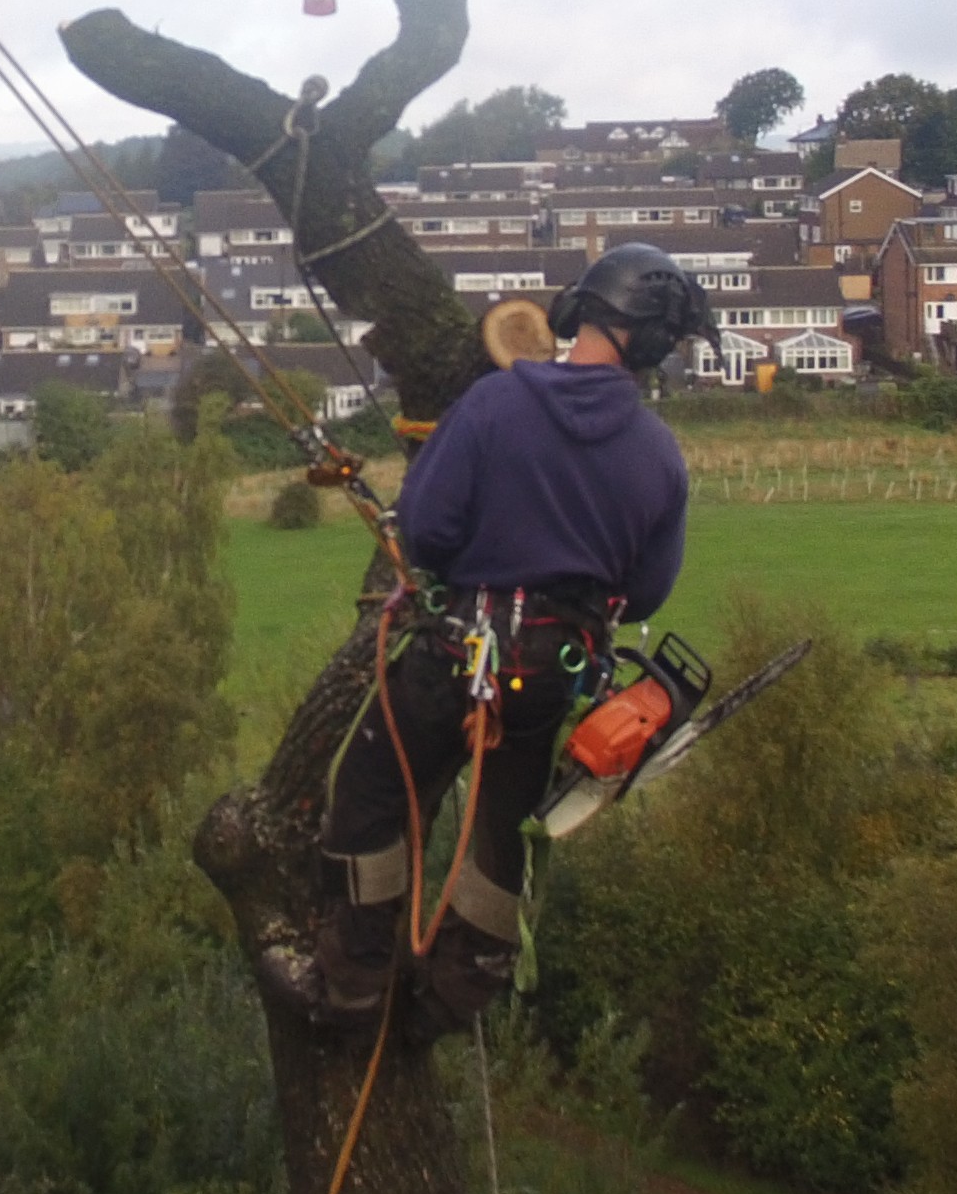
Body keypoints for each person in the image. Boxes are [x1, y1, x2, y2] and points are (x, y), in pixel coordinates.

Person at [265, 243, 707, 1038]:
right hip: (549, 681)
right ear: (655, 346)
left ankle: (355, 986)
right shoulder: (657, 456)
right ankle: (452, 996)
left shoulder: (496, 406)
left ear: (582, 312)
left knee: (371, 793)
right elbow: (644, 592)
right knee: (507, 822)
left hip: (455, 658)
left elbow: (427, 531)